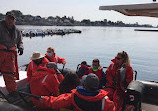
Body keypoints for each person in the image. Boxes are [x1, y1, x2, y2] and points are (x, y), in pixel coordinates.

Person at [42, 74, 116, 111]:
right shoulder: (105, 101)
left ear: (85, 85)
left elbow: (56, 102)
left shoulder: (74, 96)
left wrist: (45, 99)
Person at [0, 11, 24, 93]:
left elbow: (20, 41)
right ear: (5, 18)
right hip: (1, 53)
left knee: (10, 75)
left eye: (12, 19)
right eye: (8, 18)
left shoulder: (17, 30)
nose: (10, 20)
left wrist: (20, 48)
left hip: (10, 56)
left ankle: (12, 92)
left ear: (14, 20)